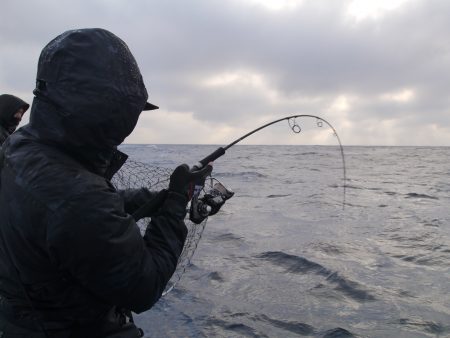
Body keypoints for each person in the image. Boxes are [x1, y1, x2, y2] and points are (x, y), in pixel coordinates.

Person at [0, 28, 213, 337]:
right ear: (103, 109)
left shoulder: (21, 146)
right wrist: (176, 202)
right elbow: (143, 286)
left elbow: (71, 214)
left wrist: (152, 199)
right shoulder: (75, 195)